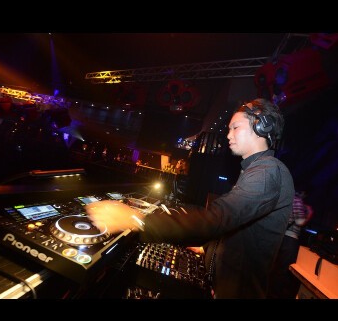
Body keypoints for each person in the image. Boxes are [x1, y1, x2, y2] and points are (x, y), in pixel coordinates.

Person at [86, 98, 295, 299]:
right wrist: (209, 250)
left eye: (235, 127)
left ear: (261, 126)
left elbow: (218, 217)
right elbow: (240, 229)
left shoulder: (267, 172)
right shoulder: (258, 170)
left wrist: (136, 220)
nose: (228, 134)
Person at [267, 190, 313, 299]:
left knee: (275, 267)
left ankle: (268, 292)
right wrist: (309, 213)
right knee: (282, 270)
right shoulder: (297, 200)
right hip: (290, 238)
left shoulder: (287, 198)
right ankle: (274, 295)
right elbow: (300, 221)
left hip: (281, 236)